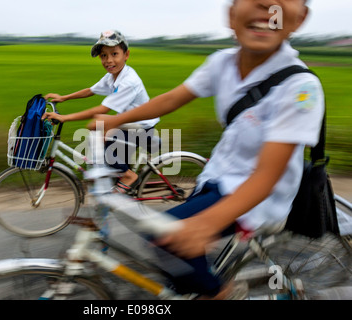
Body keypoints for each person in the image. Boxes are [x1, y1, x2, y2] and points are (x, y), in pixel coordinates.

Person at [91, 0, 324, 299]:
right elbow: (173, 99)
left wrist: (206, 225)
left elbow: (267, 177)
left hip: (257, 194)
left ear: (299, 19)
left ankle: (221, 294)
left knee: (165, 239)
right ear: (231, 14)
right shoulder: (223, 63)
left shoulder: (300, 88)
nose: (268, 4)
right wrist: (116, 120)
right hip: (219, 175)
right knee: (178, 265)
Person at [42, 30, 159, 193]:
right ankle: (115, 175)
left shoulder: (129, 81)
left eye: (114, 54)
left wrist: (65, 118)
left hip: (142, 127)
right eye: (103, 56)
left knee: (102, 141)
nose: (109, 60)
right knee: (98, 130)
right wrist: (64, 98)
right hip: (128, 122)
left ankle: (129, 176)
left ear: (126, 54)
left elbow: (103, 109)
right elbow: (91, 90)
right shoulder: (113, 75)